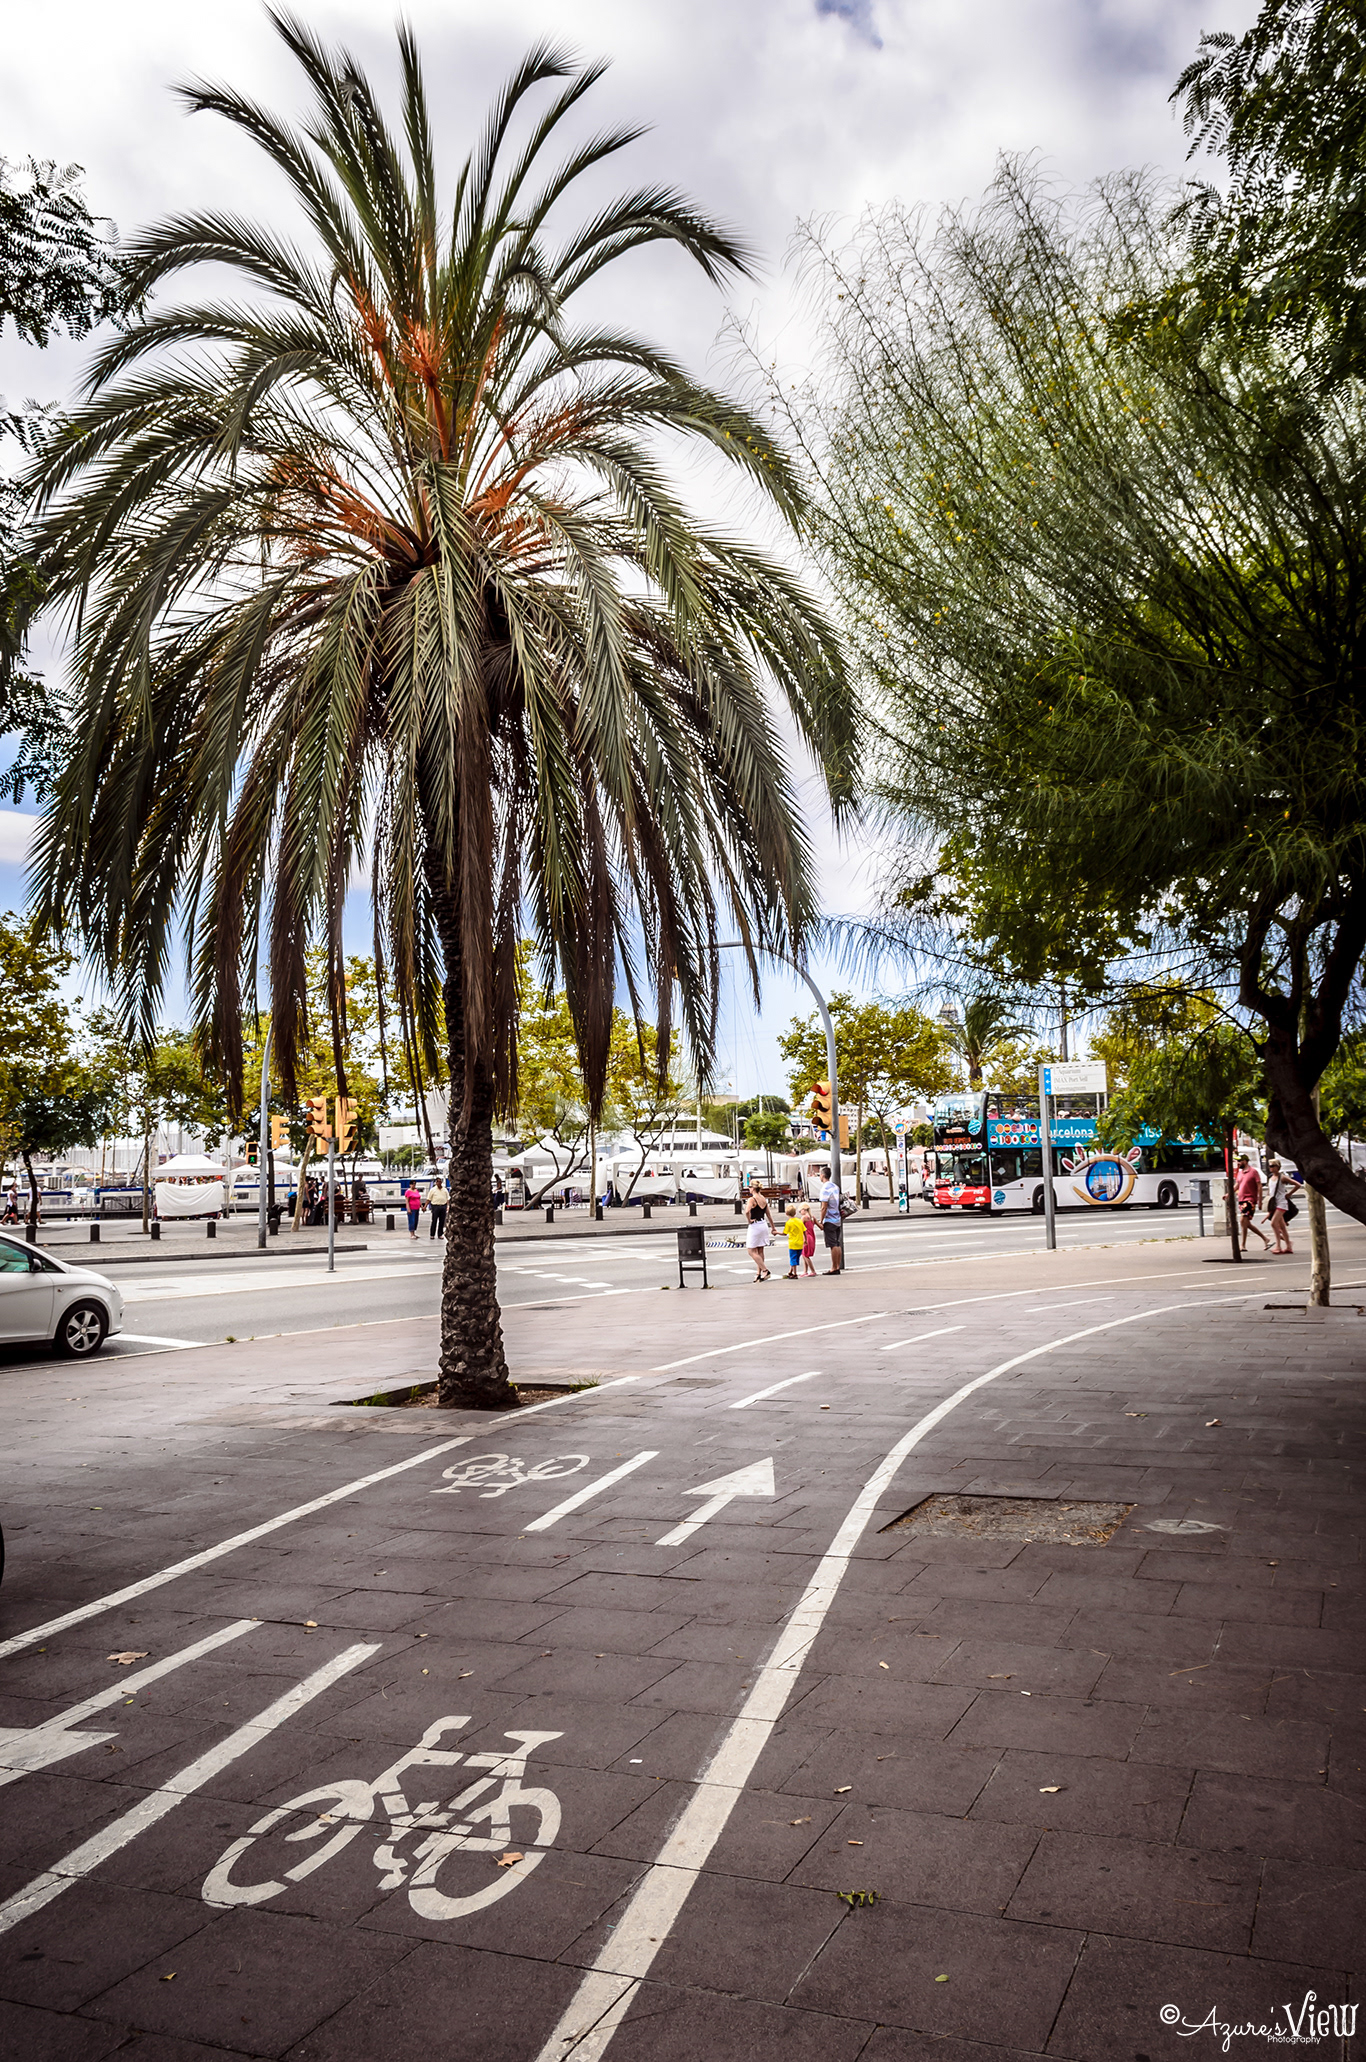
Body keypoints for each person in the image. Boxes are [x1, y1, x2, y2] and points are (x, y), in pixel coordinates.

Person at [1265, 1159, 1301, 1255]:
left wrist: (1289, 1194)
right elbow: (1270, 1191)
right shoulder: (1270, 1178)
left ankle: (1278, 1246)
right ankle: (1288, 1246)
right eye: (1270, 1166)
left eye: (1272, 1166)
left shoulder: (1282, 1177)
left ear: (1278, 1167)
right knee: (1282, 1226)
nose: (1270, 1168)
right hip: (1275, 1204)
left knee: (1273, 1223)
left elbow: (1297, 1184)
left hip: (1281, 1203)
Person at [1235, 1154, 1270, 1251]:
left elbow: (1259, 1186)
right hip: (1241, 1200)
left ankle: (1243, 1245)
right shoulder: (1240, 1173)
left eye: (1240, 1161)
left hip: (1249, 1200)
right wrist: (1228, 1194)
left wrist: (1259, 1201)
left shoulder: (1253, 1172)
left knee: (1242, 1221)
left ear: (1245, 1161)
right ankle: (1265, 1238)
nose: (1238, 1163)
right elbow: (1237, 1185)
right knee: (1246, 1223)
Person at [817, 1162, 844, 1274]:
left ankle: (834, 1267)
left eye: (819, 1174)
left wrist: (821, 1220)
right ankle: (837, 1266)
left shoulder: (825, 1189)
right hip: (837, 1218)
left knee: (832, 1244)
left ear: (823, 1176)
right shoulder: (835, 1187)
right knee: (837, 1243)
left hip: (829, 1219)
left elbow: (824, 1206)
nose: (819, 1176)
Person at [745, 1187, 774, 1281]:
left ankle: (765, 1270)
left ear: (753, 1188)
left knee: (751, 1251)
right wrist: (773, 1227)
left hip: (755, 1225)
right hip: (763, 1224)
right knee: (760, 1250)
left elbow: (747, 1211)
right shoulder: (763, 1198)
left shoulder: (752, 1199)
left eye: (750, 1187)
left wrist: (749, 1220)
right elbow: (768, 1214)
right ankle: (759, 1273)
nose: (749, 1188)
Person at [783, 1201, 805, 1278]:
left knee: (793, 1259)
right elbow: (804, 1230)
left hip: (793, 1243)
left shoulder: (789, 1223)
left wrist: (776, 1232)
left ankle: (795, 1273)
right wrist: (805, 1239)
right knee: (796, 1258)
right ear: (795, 1213)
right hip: (800, 1243)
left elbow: (785, 1233)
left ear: (786, 1214)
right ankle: (790, 1271)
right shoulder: (799, 1221)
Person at [427, 1174, 449, 1240]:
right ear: (436, 1183)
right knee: (434, 1220)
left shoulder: (445, 1190)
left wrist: (448, 1206)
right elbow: (429, 1199)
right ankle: (432, 1234)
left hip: (443, 1206)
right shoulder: (433, 1190)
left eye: (440, 1181)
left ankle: (440, 1234)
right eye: (438, 1182)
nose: (439, 1183)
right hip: (435, 1206)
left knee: (442, 1221)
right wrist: (425, 1206)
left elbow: (448, 1198)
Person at [800, 1204, 818, 1277]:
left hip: (806, 1237)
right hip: (812, 1237)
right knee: (804, 1254)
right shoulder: (812, 1218)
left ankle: (813, 1271)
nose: (800, 1212)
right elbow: (821, 1226)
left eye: (800, 1211)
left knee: (805, 1255)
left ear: (804, 1210)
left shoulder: (804, 1218)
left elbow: (800, 1228)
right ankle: (805, 1271)